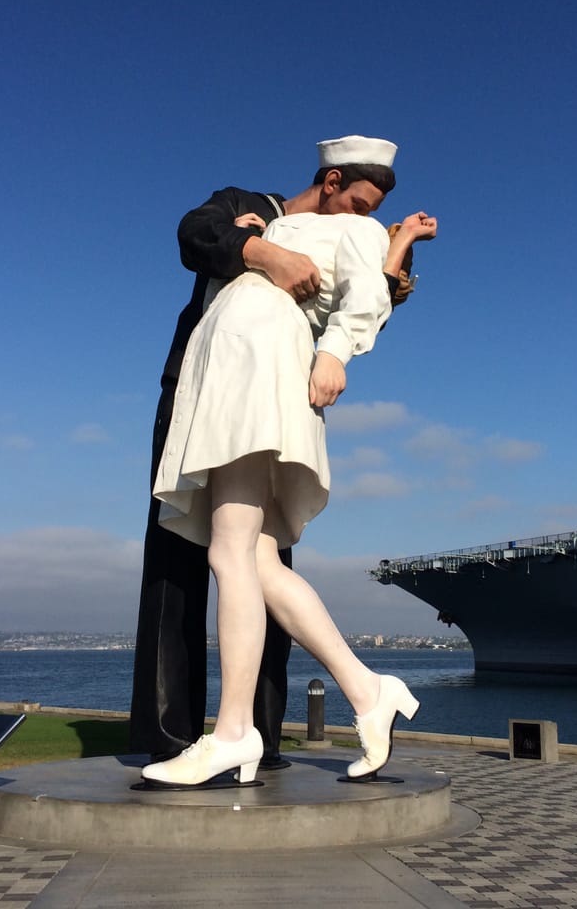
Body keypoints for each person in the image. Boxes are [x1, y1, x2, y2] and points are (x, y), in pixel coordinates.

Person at [141, 144, 437, 787]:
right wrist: (257, 240)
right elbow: (197, 235)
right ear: (332, 180)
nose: (366, 215)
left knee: (228, 552)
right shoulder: (263, 218)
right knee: (258, 561)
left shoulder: (348, 228)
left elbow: (367, 295)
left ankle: (234, 732)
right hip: (234, 374)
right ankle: (366, 690)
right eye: (361, 200)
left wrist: (335, 352)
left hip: (255, 374)